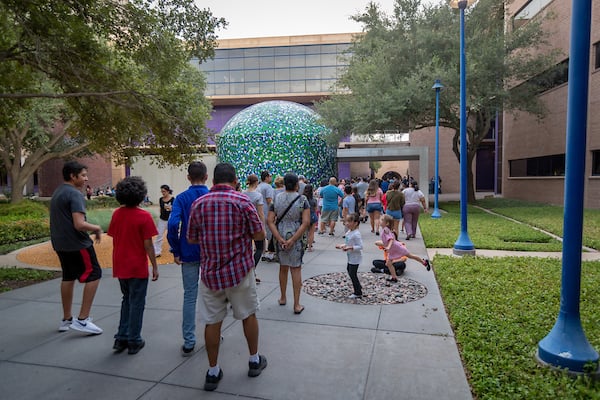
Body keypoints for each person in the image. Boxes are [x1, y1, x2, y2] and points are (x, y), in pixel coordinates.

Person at [187, 163, 267, 392]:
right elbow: (259, 233)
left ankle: (213, 371)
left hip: (210, 273)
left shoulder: (198, 204)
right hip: (240, 271)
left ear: (212, 181)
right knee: (248, 314)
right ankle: (253, 360)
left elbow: (191, 238)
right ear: (234, 181)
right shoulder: (243, 201)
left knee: (212, 321)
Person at [50, 161, 104, 335]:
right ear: (73, 176)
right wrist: (96, 228)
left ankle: (66, 320)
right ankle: (82, 320)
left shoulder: (58, 192)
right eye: (83, 175)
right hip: (77, 244)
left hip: (60, 244)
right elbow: (79, 224)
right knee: (94, 274)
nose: (86, 178)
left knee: (68, 276)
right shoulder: (75, 194)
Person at [108, 176, 159, 355]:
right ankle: (134, 339)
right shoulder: (144, 217)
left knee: (126, 300)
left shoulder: (116, 214)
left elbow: (115, 236)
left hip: (121, 264)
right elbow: (148, 245)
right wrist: (154, 265)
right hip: (137, 266)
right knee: (137, 302)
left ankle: (121, 337)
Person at [167, 161, 209, 356]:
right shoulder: (211, 196)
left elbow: (173, 223)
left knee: (190, 295)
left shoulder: (182, 198)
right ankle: (213, 330)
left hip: (188, 250)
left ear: (188, 177)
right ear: (206, 177)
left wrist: (175, 249)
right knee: (214, 295)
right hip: (211, 252)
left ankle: (189, 339)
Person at [267, 173, 310, 315]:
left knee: (283, 267)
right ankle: (297, 304)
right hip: (296, 236)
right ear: (297, 184)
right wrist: (293, 239)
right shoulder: (302, 199)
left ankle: (283, 297)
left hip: (280, 234)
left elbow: (270, 220)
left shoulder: (276, 198)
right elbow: (306, 222)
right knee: (296, 269)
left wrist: (279, 238)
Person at [378, 215, 431, 283]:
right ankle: (394, 278)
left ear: (387, 223)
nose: (380, 221)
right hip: (393, 250)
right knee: (388, 263)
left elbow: (391, 239)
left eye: (382, 220)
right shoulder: (384, 230)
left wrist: (388, 247)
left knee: (410, 256)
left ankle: (424, 262)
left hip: (397, 248)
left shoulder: (386, 230)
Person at [243, 174, 265, 282]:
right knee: (259, 248)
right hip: (255, 224)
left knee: (247, 249)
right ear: (256, 183)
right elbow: (260, 213)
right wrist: (263, 226)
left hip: (243, 224)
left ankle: (248, 272)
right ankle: (252, 270)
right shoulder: (258, 196)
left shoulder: (243, 193)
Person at [335, 213, 363, 299]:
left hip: (355, 258)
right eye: (346, 221)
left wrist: (350, 247)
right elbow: (348, 243)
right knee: (350, 271)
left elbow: (361, 246)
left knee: (352, 273)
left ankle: (358, 292)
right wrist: (342, 245)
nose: (347, 223)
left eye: (349, 221)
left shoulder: (356, 234)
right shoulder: (350, 232)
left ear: (355, 223)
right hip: (350, 256)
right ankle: (358, 286)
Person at [257, 170, 276, 262]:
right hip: (266, 211)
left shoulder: (258, 186)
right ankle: (269, 252)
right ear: (266, 177)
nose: (271, 178)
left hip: (259, 210)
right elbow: (269, 200)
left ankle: (262, 252)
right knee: (269, 233)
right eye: (270, 176)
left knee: (261, 232)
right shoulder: (268, 187)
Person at [154, 184, 174, 257]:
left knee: (172, 234)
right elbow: (160, 208)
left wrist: (171, 209)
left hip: (170, 219)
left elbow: (175, 209)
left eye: (164, 191)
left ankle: (174, 248)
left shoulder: (173, 199)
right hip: (162, 219)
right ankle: (157, 251)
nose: (163, 193)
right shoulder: (160, 199)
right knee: (159, 235)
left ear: (168, 191)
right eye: (162, 191)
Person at [303, 184, 318, 252]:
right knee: (311, 233)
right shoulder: (314, 200)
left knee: (304, 232)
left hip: (304, 216)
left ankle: (304, 245)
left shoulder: (302, 199)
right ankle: (309, 247)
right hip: (312, 216)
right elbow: (315, 209)